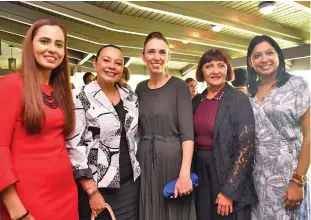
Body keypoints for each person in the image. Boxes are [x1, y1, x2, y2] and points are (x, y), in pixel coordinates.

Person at [0, 19, 78, 220]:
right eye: (44, 41)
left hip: (65, 195)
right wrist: (18, 212)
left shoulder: (60, 92)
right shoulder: (11, 85)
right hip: (28, 201)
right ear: (30, 45)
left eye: (59, 44)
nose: (52, 49)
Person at [66, 44, 140, 220]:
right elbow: (74, 147)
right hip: (97, 187)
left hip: (130, 185)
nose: (112, 66)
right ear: (95, 64)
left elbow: (134, 136)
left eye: (118, 63)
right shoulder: (79, 96)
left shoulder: (129, 96)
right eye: (106, 60)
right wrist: (92, 192)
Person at [247, 35, 310, 220]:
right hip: (256, 177)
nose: (264, 59)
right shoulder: (250, 91)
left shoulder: (297, 85)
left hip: (287, 176)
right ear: (251, 62)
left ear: (279, 56)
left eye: (269, 53)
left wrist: (298, 182)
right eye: (257, 56)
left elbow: (309, 136)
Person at [135, 31, 194, 220]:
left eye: (162, 52)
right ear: (143, 56)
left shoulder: (179, 86)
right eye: (151, 52)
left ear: (169, 57)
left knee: (173, 211)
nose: (156, 57)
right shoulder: (140, 88)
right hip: (145, 160)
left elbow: (187, 134)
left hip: (172, 161)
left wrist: (184, 173)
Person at [192, 48, 257, 220]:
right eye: (209, 66)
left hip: (227, 174)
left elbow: (246, 149)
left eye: (221, 65)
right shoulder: (197, 100)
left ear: (227, 70)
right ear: (201, 71)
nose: (215, 71)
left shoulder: (238, 99)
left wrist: (229, 192)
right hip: (200, 174)